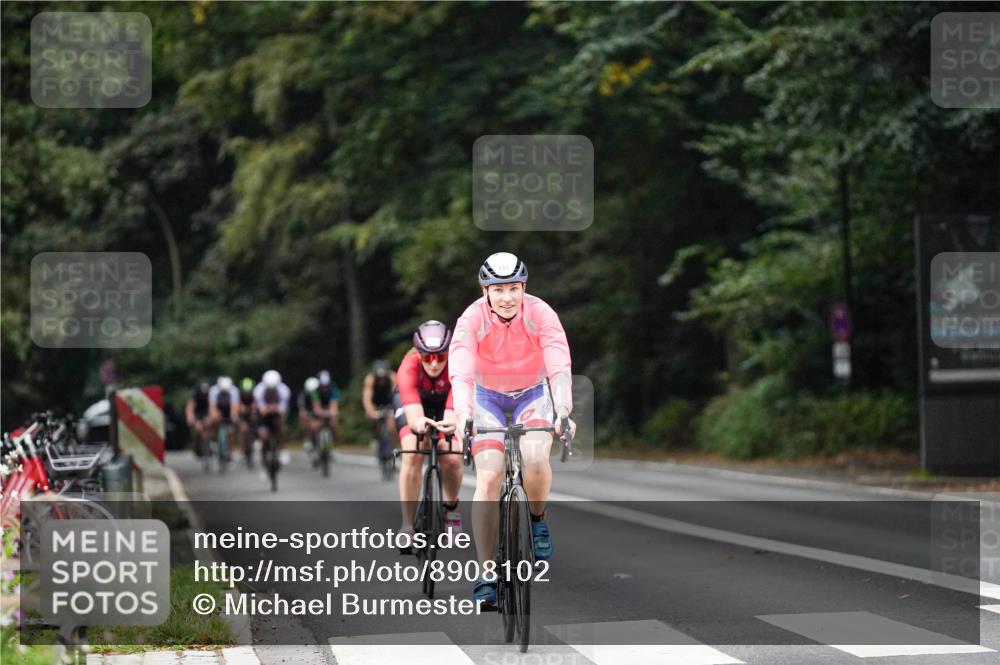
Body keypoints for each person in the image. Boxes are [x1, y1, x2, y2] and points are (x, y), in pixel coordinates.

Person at [449, 252, 575, 608]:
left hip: (532, 393)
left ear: (524, 288)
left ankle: (536, 520)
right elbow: (460, 369)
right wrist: (462, 414)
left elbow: (559, 364)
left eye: (513, 289)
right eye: (498, 289)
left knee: (535, 458)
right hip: (485, 396)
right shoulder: (471, 319)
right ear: (485, 290)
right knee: (488, 477)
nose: (506, 297)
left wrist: (563, 408)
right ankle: (486, 572)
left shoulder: (540, 313)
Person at [394, 321, 462, 542]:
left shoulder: (458, 365)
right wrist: (418, 422)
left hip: (445, 404)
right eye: (427, 358)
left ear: (448, 354)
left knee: (451, 455)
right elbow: (413, 416)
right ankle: (407, 525)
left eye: (440, 357)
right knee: (413, 452)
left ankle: (451, 509)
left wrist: (450, 423)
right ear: (419, 354)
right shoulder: (408, 365)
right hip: (414, 403)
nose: (434, 364)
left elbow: (453, 411)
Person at [253, 370, 292, 469]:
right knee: (264, 438)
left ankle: (282, 449)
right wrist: (271, 408)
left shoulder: (284, 390)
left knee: (281, 427)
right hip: (264, 417)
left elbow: (283, 410)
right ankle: (263, 458)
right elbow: (262, 410)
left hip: (277, 415)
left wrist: (273, 409)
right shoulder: (258, 390)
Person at [362, 359, 397, 449]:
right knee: (372, 416)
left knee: (392, 423)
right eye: (379, 378)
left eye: (383, 378)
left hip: (389, 401)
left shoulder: (392, 377)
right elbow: (367, 398)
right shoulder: (370, 379)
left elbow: (396, 395)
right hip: (376, 403)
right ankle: (375, 436)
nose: (381, 381)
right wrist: (370, 411)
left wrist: (395, 409)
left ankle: (393, 443)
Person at [185, 380, 213, 459]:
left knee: (210, 425)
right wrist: (191, 418)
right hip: (197, 413)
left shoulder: (210, 396)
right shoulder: (194, 396)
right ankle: (197, 446)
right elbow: (190, 408)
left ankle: (211, 443)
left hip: (206, 412)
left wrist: (210, 417)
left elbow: (212, 407)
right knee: (198, 429)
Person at [311, 370, 341, 437]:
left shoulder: (334, 390)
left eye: (326, 386)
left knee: (334, 422)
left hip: (329, 410)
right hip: (319, 412)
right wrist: (322, 414)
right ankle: (314, 442)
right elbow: (316, 407)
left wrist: (330, 413)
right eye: (323, 386)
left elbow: (334, 406)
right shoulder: (315, 392)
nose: (324, 389)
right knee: (314, 426)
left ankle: (335, 442)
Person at [237, 377, 257, 468]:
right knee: (243, 430)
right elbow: (237, 407)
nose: (247, 393)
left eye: (249, 391)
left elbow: (255, 405)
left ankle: (252, 447)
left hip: (250, 416)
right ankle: (243, 450)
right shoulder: (238, 395)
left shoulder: (254, 395)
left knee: (252, 431)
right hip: (242, 416)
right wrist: (241, 409)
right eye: (245, 391)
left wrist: (253, 411)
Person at [299, 376, 320, 457]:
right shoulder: (303, 395)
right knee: (304, 418)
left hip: (317, 411)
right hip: (309, 411)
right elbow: (302, 409)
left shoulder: (319, 393)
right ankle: (308, 438)